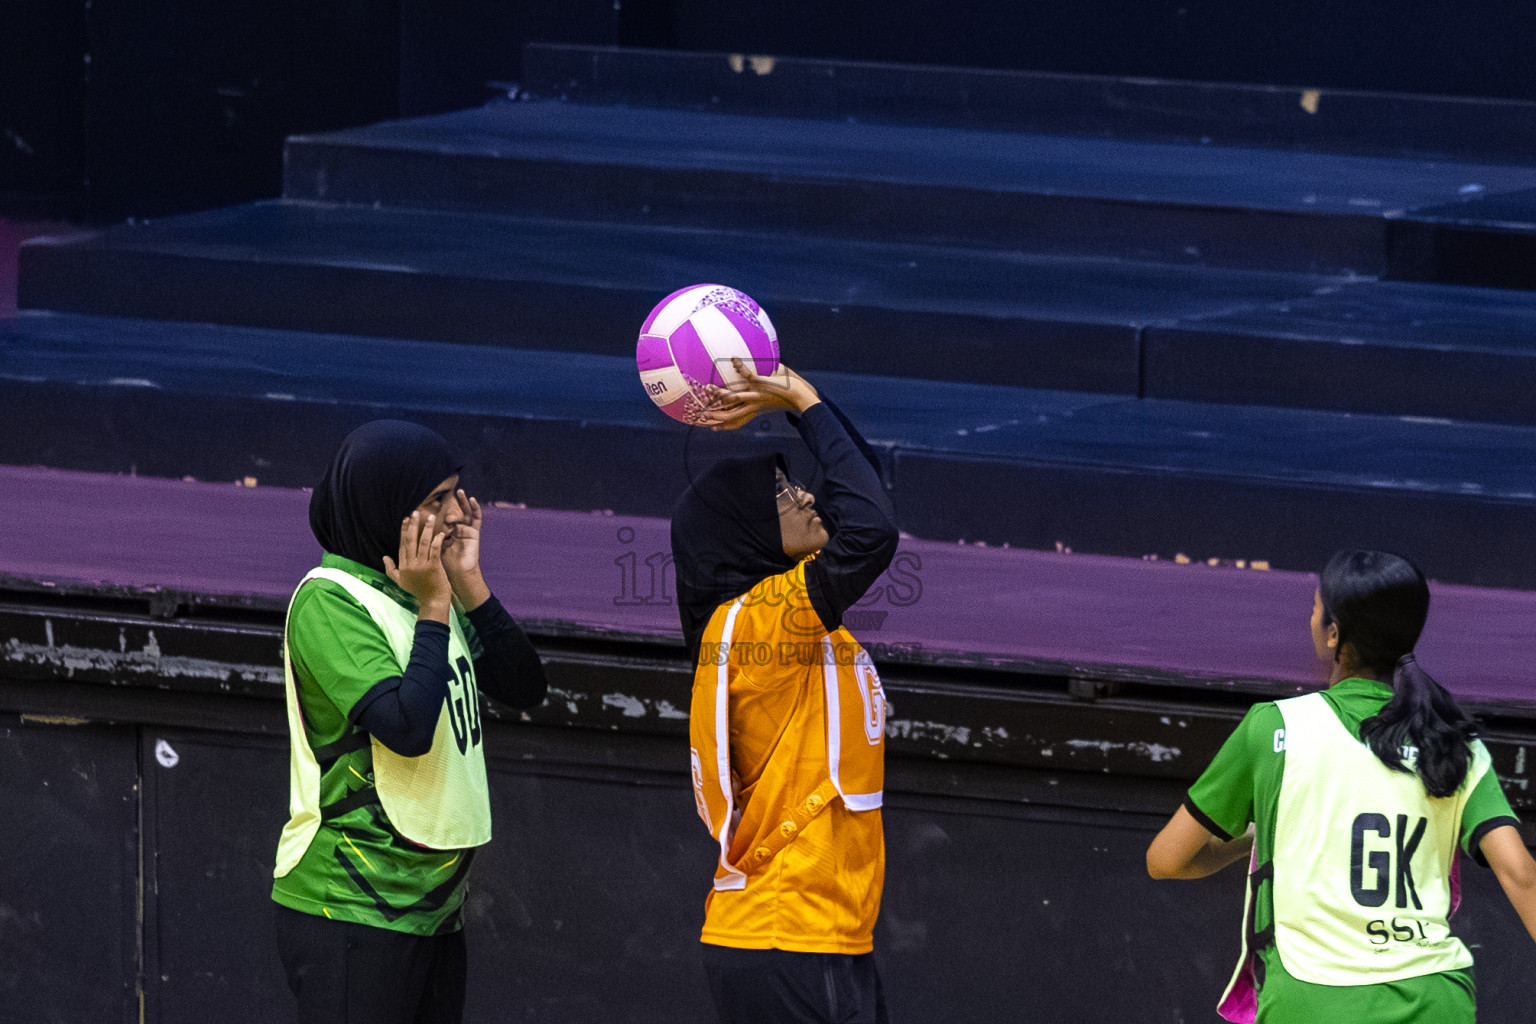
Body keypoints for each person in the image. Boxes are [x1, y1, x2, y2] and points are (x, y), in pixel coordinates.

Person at [1146, 549, 1536, 1024]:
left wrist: (1253, 840)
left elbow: (1166, 859)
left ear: (1332, 634)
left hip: (1312, 1000)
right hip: (1436, 999)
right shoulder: (1454, 741)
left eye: (1314, 608)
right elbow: (1521, 875)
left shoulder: (1274, 729)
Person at [272, 419, 547, 1024]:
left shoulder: (433, 593)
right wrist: (434, 606)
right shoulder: (331, 599)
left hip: (434, 911)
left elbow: (526, 689)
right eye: (434, 501)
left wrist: (469, 585)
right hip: (349, 910)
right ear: (386, 509)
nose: (455, 514)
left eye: (456, 493)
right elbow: (404, 726)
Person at [672, 358, 900, 1024]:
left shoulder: (769, 617)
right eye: (780, 494)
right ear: (743, 528)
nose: (805, 497)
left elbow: (863, 492)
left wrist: (807, 409)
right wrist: (798, 396)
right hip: (785, 934)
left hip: (815, 937)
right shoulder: (762, 621)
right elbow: (871, 527)